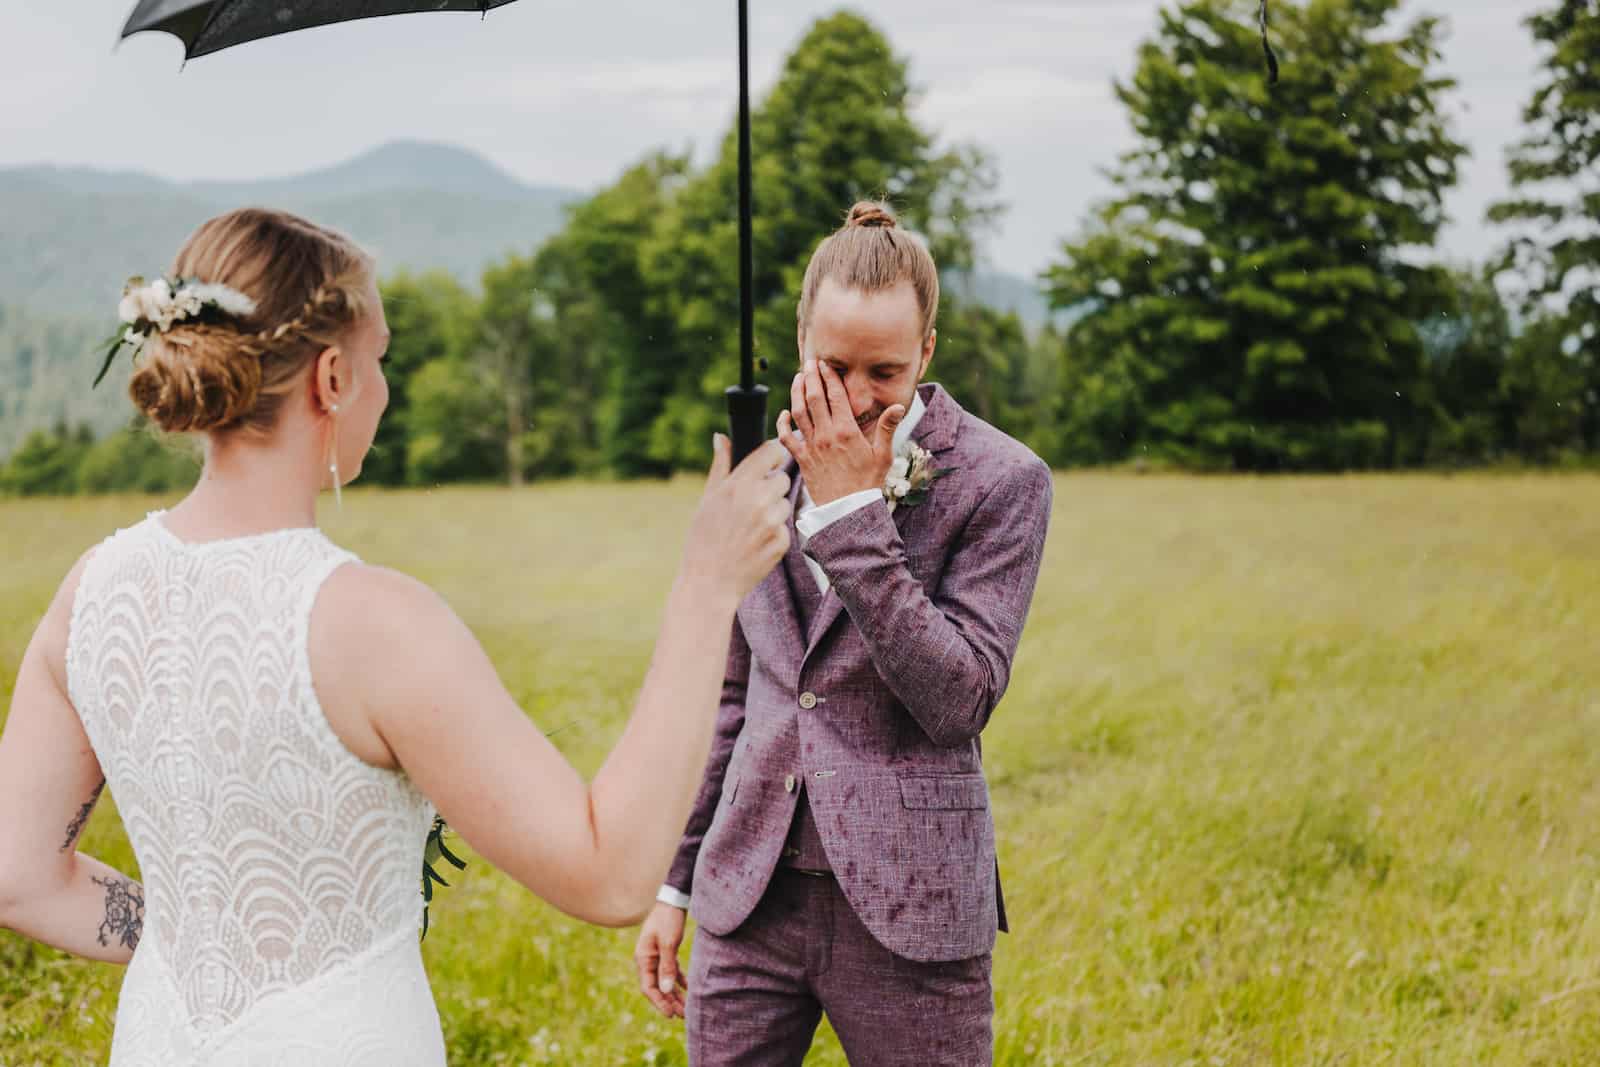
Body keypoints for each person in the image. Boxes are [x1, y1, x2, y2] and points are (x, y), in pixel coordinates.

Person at [0, 207, 792, 1066]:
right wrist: (708, 586)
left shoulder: (91, 591)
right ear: (332, 376)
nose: (386, 385)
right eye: (381, 357)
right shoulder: (373, 624)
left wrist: (217, 935)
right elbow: (607, 872)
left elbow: (20, 877)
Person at [632, 201, 1054, 1065]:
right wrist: (676, 879)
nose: (858, 400)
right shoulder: (759, 472)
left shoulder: (1004, 482)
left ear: (928, 352)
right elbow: (731, 697)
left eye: (885, 373)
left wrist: (857, 513)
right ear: (799, 344)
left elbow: (959, 698)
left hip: (914, 910)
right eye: (833, 367)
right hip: (748, 895)